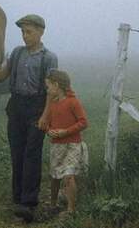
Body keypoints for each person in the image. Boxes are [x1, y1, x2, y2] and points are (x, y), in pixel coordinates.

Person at [0, 14, 57, 223]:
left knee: (31, 154)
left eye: (29, 32)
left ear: (41, 32)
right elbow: (2, 75)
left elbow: (51, 92)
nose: (25, 36)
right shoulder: (18, 53)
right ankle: (17, 198)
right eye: (22, 32)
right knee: (17, 153)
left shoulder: (49, 58)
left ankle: (29, 202)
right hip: (17, 107)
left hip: (37, 108)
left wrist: (46, 115)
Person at [42, 69, 88, 217]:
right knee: (55, 176)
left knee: (69, 175)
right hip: (56, 145)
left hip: (73, 145)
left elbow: (83, 122)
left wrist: (65, 132)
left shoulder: (73, 102)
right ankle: (53, 205)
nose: (47, 90)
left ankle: (70, 210)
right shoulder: (53, 105)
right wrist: (49, 131)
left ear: (56, 85)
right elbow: (46, 124)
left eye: (48, 86)